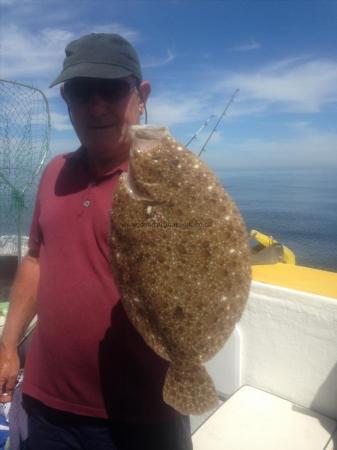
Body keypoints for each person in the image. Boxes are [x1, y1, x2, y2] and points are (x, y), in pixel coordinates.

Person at [0, 33, 193, 450]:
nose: (96, 106)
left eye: (110, 89)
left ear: (141, 96)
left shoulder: (169, 178)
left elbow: (194, 278)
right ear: (67, 100)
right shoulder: (54, 172)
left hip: (142, 413)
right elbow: (35, 259)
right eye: (81, 92)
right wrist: (9, 345)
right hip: (46, 404)